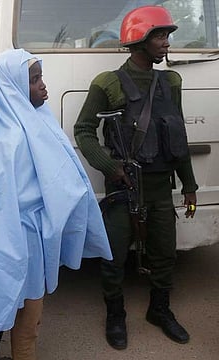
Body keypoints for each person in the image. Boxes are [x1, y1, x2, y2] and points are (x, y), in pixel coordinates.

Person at [74, 6, 198, 350]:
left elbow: (178, 135)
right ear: (139, 40)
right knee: (113, 256)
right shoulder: (108, 83)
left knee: (165, 253)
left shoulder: (171, 81)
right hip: (123, 186)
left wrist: (188, 185)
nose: (166, 43)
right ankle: (115, 315)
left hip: (160, 186)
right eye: (160, 36)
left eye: (168, 36)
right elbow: (84, 131)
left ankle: (160, 310)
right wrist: (111, 167)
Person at [0, 49, 112, 360]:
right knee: (22, 317)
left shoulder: (37, 119)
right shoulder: (6, 137)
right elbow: (6, 201)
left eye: (41, 77)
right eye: (33, 80)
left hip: (35, 235)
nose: (43, 85)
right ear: (13, 87)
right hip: (17, 240)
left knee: (21, 312)